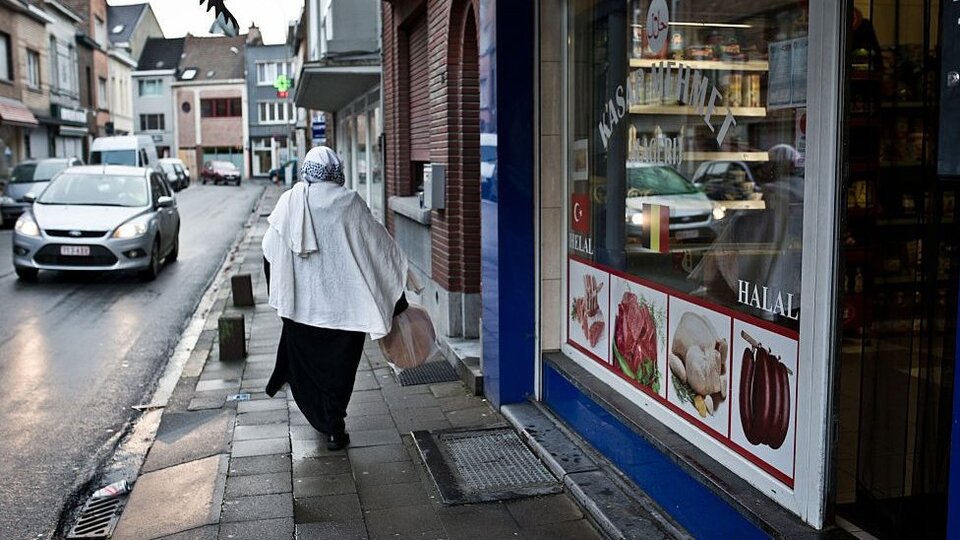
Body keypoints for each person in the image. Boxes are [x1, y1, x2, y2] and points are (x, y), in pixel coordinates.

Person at [261, 146, 408, 451]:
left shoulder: (290, 202)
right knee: (340, 372)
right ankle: (333, 424)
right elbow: (378, 247)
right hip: (346, 310)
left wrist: (281, 295)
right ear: (337, 171)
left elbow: (269, 250)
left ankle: (327, 423)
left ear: (306, 170)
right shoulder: (349, 202)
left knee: (309, 370)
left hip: (303, 309)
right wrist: (398, 292)